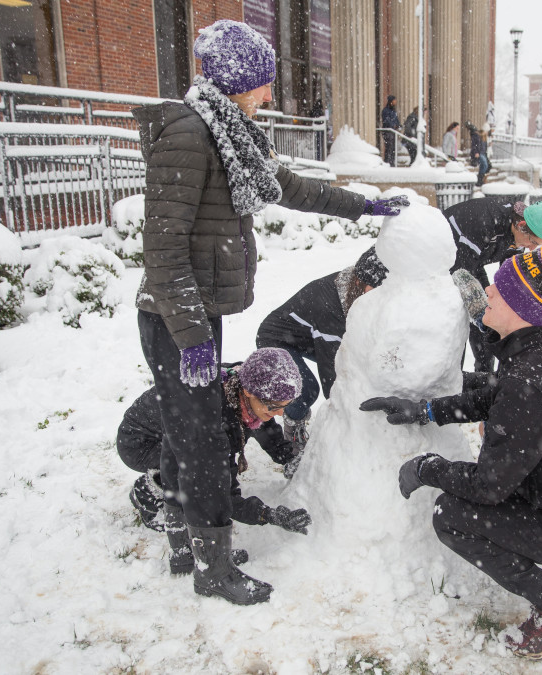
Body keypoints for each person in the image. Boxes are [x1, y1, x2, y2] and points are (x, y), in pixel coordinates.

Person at [130, 19, 408, 605]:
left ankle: (187, 544)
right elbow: (163, 250)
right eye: (261, 85)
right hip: (176, 320)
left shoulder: (230, 135)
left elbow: (293, 188)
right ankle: (213, 568)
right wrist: (192, 338)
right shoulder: (188, 134)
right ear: (235, 83)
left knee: (188, 433)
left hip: (198, 314)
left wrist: (365, 206)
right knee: (203, 442)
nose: (269, 97)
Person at [360, 237, 542, 660]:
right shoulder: (541, 350)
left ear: (521, 309)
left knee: (451, 516)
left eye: (499, 290)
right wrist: (425, 409)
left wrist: (427, 468)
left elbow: (489, 487)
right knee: (505, 479)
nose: (487, 291)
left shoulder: (534, 380)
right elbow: (495, 397)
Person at [119, 349, 313, 595]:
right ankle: (148, 492)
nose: (280, 413)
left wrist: (289, 458)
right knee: (194, 476)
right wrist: (269, 515)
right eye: (275, 406)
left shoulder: (240, 384)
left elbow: (265, 426)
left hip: (173, 430)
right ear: (250, 392)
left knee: (202, 463)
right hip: (140, 442)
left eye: (286, 406)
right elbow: (224, 495)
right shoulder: (217, 419)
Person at [255, 246, 389, 462]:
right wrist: (347, 422)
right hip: (276, 339)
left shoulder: (358, 292)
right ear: (359, 282)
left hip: (307, 339)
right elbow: (332, 375)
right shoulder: (331, 306)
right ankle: (293, 429)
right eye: (376, 289)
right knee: (306, 389)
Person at [442, 198, 542, 371]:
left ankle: (485, 376)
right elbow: (461, 273)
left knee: (489, 320)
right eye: (533, 242)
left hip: (473, 262)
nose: (531, 249)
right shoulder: (483, 222)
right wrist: (480, 309)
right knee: (463, 317)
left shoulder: (520, 234)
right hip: (446, 262)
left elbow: (511, 275)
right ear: (521, 225)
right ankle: (452, 379)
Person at [467, 121, 491, 187]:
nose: (487, 132)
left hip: (483, 153)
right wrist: (476, 152)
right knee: (485, 165)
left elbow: (484, 147)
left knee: (485, 166)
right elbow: (474, 145)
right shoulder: (477, 135)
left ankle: (480, 180)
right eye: (486, 131)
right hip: (479, 153)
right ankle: (479, 179)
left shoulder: (484, 138)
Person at [381, 95, 401, 166]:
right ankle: (387, 162)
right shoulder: (385, 110)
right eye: (394, 101)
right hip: (388, 132)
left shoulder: (393, 111)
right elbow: (386, 120)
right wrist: (393, 125)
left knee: (393, 148)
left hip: (393, 132)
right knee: (389, 147)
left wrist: (399, 125)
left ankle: (392, 162)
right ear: (390, 102)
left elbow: (396, 120)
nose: (395, 102)